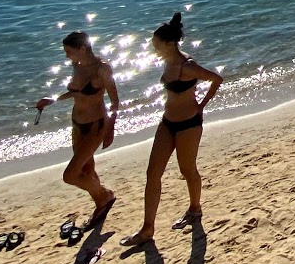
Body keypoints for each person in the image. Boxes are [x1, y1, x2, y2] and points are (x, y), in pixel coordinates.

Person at [122, 13, 223, 246]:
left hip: (188, 124)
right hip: (167, 122)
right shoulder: (167, 61)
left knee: (187, 171)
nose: (153, 48)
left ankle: (195, 209)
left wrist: (201, 106)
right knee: (152, 173)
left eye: (156, 45)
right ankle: (147, 229)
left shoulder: (188, 66)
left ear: (169, 43)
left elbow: (216, 79)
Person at [35, 32, 118, 229]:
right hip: (77, 124)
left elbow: (115, 101)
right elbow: (76, 92)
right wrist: (53, 100)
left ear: (82, 48)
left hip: (95, 126)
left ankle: (105, 196)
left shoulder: (102, 69)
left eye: (69, 52)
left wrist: (110, 128)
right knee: (87, 170)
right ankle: (101, 204)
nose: (66, 57)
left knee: (70, 175)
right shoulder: (77, 66)